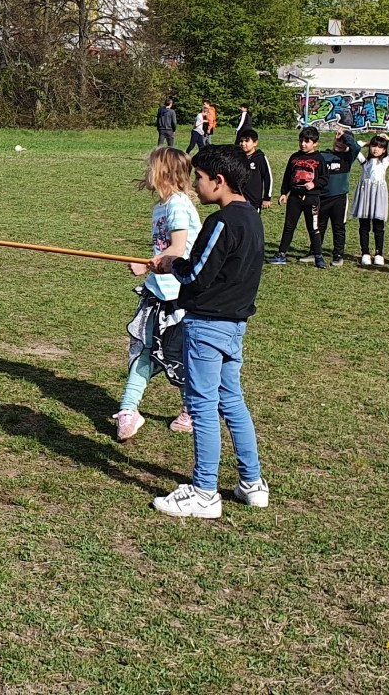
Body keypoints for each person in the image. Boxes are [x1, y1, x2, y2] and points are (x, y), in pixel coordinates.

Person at [150, 145, 270, 519]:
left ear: (218, 181)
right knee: (231, 400)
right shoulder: (251, 217)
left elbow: (195, 274)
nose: (196, 185)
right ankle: (252, 483)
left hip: (207, 327)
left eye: (199, 178)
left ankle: (204, 493)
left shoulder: (222, 222)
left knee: (202, 406)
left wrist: (169, 263)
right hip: (234, 325)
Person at [114, 148, 201, 441]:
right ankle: (128, 409)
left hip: (180, 295)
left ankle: (191, 410)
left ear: (164, 171)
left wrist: (146, 265)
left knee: (178, 354)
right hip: (157, 292)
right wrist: (151, 268)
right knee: (145, 349)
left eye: (151, 166)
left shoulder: (178, 204)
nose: (147, 171)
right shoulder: (161, 206)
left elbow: (178, 250)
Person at [269, 127, 330, 267]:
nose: (303, 144)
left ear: (315, 143)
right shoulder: (294, 157)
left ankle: (318, 256)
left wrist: (314, 184)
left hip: (311, 198)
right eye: (301, 141)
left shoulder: (319, 159)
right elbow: (287, 176)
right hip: (294, 198)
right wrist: (284, 193)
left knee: (313, 227)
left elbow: (325, 178)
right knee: (289, 226)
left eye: (307, 141)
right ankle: (281, 254)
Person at [348, 131, 389, 267]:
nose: (376, 149)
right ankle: (365, 253)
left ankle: (379, 254)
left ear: (384, 150)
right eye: (374, 146)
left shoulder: (384, 162)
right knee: (364, 226)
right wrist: (367, 143)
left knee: (378, 226)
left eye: (380, 147)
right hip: (365, 195)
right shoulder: (364, 162)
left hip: (378, 196)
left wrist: (388, 138)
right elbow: (354, 147)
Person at [313, 124, 361, 265]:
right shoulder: (323, 155)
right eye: (338, 140)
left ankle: (338, 255)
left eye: (344, 142)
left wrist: (344, 135)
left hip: (339, 198)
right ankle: (315, 252)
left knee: (338, 227)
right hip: (322, 197)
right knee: (319, 226)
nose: (340, 143)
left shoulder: (348, 157)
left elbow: (356, 147)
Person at [235, 128, 273, 210]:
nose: (243, 144)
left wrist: (267, 198)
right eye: (241, 141)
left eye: (247, 141)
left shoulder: (260, 158)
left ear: (255, 143)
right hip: (238, 199)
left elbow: (268, 178)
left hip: (254, 201)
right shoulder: (237, 157)